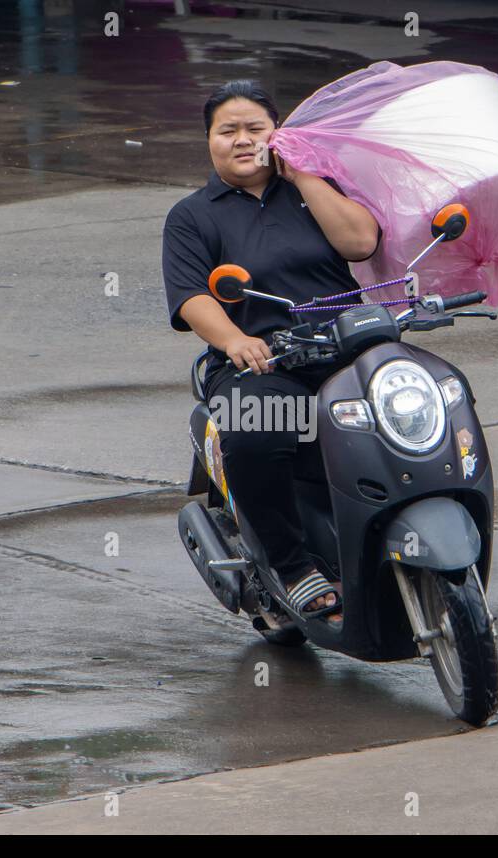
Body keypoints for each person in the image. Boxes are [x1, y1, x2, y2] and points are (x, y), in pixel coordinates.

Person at [162, 79, 382, 622]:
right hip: (262, 363)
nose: (242, 140)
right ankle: (292, 567)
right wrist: (235, 339)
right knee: (254, 430)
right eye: (227, 130)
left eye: (255, 129)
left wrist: (304, 171)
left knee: (431, 402)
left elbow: (361, 243)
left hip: (345, 349)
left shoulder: (312, 190)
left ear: (277, 134)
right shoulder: (193, 216)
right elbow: (191, 295)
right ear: (209, 141)